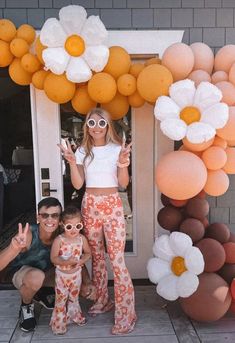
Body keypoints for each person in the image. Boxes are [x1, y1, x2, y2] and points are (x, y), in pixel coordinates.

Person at [59, 107, 137, 335]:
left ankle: (126, 314)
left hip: (112, 203)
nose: (96, 127)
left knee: (117, 259)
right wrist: (73, 162)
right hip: (90, 203)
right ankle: (103, 300)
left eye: (100, 123)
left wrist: (123, 163)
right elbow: (77, 185)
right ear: (86, 127)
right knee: (96, 258)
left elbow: (123, 183)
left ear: (108, 125)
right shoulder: (83, 150)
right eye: (91, 123)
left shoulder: (116, 150)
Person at [0, 197, 94, 332]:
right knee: (36, 277)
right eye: (45, 215)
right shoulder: (29, 234)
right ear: (38, 217)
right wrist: (13, 248)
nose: (50, 220)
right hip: (24, 273)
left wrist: (87, 281)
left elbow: (76, 259)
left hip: (48, 273)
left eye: (55, 215)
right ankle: (26, 306)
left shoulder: (64, 234)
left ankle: (42, 292)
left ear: (60, 220)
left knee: (82, 288)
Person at [50, 205, 91, 335]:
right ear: (62, 225)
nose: (74, 230)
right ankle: (59, 323)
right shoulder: (59, 240)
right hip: (62, 276)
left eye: (78, 226)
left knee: (74, 298)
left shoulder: (81, 239)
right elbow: (54, 258)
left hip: (76, 276)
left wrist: (82, 260)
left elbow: (88, 253)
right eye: (69, 227)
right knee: (61, 299)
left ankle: (75, 316)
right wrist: (66, 262)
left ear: (81, 224)